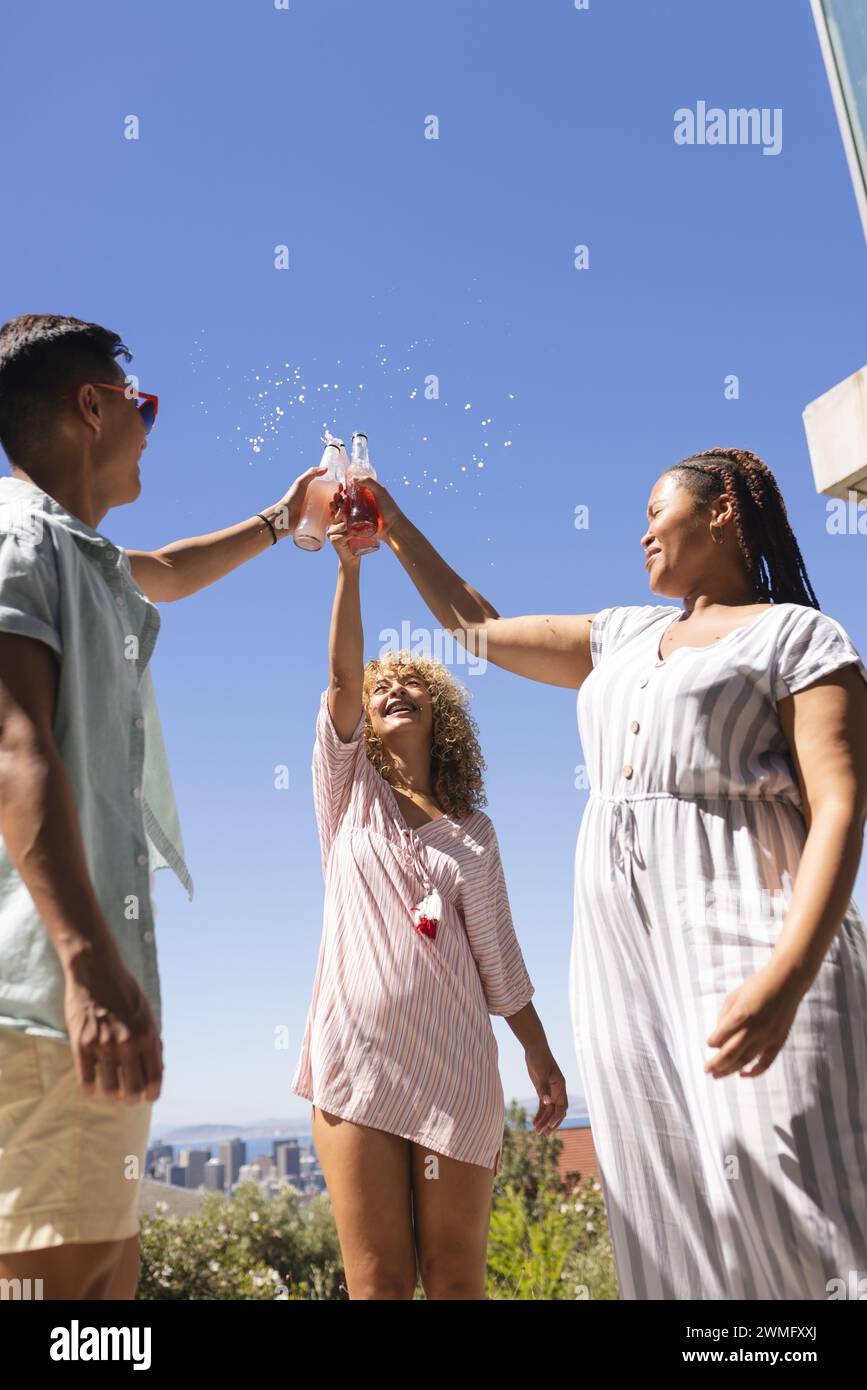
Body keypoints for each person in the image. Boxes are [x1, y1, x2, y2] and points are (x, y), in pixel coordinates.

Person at [355, 446, 867, 1300]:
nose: (640, 535)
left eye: (653, 512)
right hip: (625, 965)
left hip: (758, 943)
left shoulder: (798, 637)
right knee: (665, 1201)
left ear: (722, 511)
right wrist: (393, 521)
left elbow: (842, 806)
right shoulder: (624, 636)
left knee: (793, 1185)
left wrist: (788, 973)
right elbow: (474, 626)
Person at [0, 312, 327, 1299]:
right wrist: (90, 969)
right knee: (54, 1284)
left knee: (105, 1272)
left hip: (82, 996)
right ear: (92, 408)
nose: (152, 428)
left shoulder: (81, 557)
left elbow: (174, 571)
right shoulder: (18, 543)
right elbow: (15, 750)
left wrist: (285, 519)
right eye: (144, 405)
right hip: (45, 995)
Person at [290, 488, 567, 1300]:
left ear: (438, 713)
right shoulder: (346, 792)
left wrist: (539, 1053)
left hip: (457, 1072)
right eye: (382, 687)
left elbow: (499, 961)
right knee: (376, 1287)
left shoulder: (473, 833)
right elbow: (342, 675)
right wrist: (349, 568)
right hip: (356, 1063)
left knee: (453, 1281)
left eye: (412, 682)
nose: (391, 688)